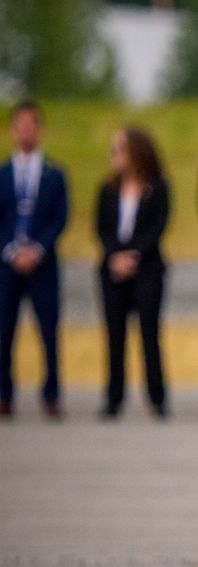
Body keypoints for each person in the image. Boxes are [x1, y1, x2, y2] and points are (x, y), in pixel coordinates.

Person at [96, 127, 170, 419]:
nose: (114, 156)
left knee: (149, 334)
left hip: (147, 268)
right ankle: (114, 398)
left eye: (120, 149)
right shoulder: (108, 189)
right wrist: (115, 255)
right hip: (112, 270)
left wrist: (134, 254)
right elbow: (100, 227)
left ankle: (157, 397)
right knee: (114, 336)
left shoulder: (158, 187)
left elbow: (158, 226)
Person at [0, 101, 68, 420]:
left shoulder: (55, 175)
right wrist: (12, 250)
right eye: (21, 126)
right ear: (13, 130)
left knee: (48, 331)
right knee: (4, 331)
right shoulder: (2, 174)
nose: (26, 131)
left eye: (32, 126)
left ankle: (51, 394)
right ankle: (4, 394)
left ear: (40, 130)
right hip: (7, 265)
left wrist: (37, 249)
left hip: (43, 265)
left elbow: (60, 218)